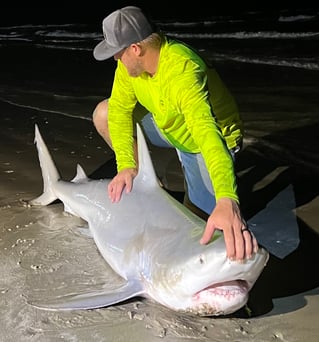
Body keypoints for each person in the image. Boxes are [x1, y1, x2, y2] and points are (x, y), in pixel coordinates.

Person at [92, 6, 258, 261]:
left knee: (202, 228)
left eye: (117, 54)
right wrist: (127, 165)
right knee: (104, 112)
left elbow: (208, 136)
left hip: (206, 141)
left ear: (135, 49)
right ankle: (150, 187)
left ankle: (219, 201)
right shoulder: (128, 68)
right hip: (169, 126)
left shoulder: (183, 70)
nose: (116, 59)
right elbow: (120, 112)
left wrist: (227, 198)